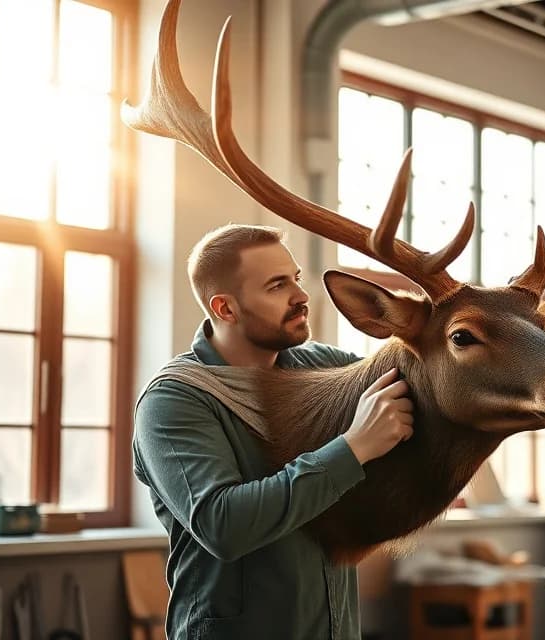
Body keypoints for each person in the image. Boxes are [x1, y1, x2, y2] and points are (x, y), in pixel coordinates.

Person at [132, 224, 414, 639]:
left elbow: (427, 387)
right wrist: (353, 449)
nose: (301, 296)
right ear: (226, 309)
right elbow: (223, 525)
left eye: (296, 279)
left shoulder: (323, 368)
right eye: (277, 285)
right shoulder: (174, 401)